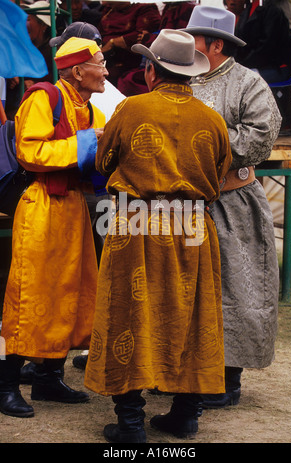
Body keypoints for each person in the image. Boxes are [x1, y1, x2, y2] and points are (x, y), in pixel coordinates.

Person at [84, 29, 233, 443]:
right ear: (189, 75)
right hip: (194, 226)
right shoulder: (213, 118)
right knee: (193, 315)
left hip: (138, 223)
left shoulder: (131, 110)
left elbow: (103, 160)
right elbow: (218, 176)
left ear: (151, 71)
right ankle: (186, 414)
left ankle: (130, 424)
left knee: (129, 315)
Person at [0, 37, 108, 418]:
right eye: (101, 63)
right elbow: (31, 152)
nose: (107, 71)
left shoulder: (91, 110)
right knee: (31, 292)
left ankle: (48, 378)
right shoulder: (43, 97)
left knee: (71, 290)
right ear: (78, 71)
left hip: (75, 206)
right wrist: (87, 144)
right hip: (43, 204)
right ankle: (7, 383)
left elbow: (95, 160)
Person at [182, 5, 281, 408]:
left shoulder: (247, 83)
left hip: (232, 202)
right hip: (185, 204)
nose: (188, 45)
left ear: (216, 44)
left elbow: (260, 135)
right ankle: (188, 375)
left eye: (195, 39)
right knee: (189, 288)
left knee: (234, 289)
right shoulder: (181, 78)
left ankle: (226, 381)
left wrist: (200, 144)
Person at [234, 0, 291, 136]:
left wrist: (244, 65)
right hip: (255, 62)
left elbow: (267, 48)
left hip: (273, 66)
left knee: (241, 78)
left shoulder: (273, 12)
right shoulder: (249, 9)